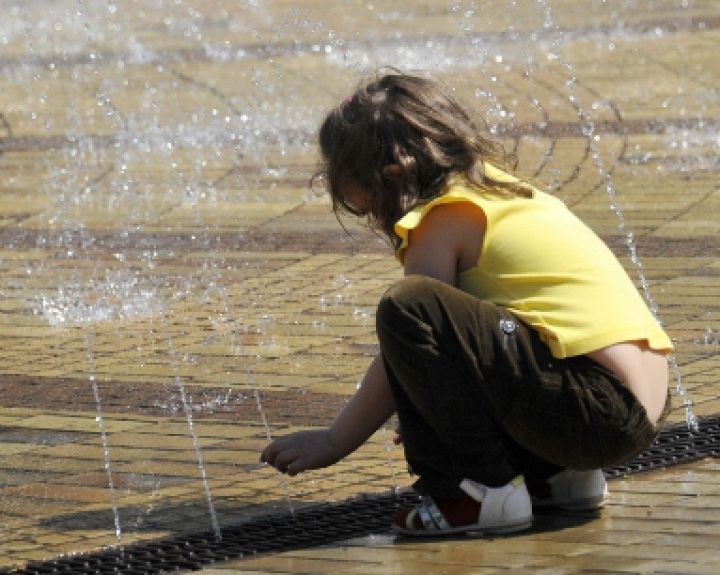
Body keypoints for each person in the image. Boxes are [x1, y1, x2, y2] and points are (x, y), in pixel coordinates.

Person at [260, 72, 673, 537]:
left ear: (390, 176)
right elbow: (479, 348)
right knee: (479, 324)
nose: (373, 217)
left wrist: (338, 439)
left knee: (409, 306)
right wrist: (436, 403)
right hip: (640, 409)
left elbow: (414, 331)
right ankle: (557, 477)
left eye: (364, 201)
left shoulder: (443, 217)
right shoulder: (506, 194)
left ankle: (475, 493)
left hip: (596, 408)